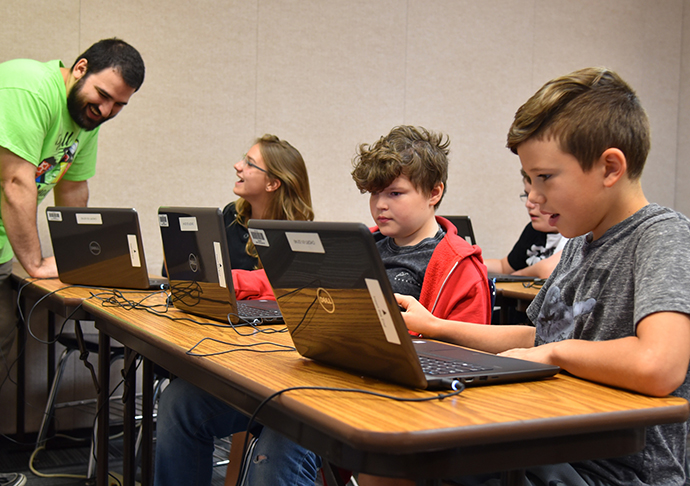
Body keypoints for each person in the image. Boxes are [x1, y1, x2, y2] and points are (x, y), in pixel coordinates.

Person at [360, 68, 690, 486]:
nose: (533, 197)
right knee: (386, 461)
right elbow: (539, 336)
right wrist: (437, 326)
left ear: (610, 168)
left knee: (399, 465)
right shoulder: (580, 243)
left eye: (545, 178)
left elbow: (658, 365)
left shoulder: (663, 236)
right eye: (528, 180)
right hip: (551, 439)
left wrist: (555, 355)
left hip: (613, 469)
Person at [232, 125, 492, 485]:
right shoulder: (361, 244)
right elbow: (295, 282)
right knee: (206, 408)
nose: (380, 205)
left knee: (284, 441)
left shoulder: (460, 267)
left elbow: (466, 365)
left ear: (434, 193)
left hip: (391, 401)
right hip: (339, 378)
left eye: (395, 193)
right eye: (374, 194)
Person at [0, 38, 145, 486]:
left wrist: (80, 260)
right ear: (80, 68)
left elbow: (73, 192)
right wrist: (37, 262)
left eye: (119, 105)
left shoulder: (86, 121)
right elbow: (15, 181)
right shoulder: (29, 88)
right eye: (103, 96)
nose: (106, 110)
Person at [153, 134, 315, 486]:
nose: (237, 166)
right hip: (226, 349)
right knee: (176, 400)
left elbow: (284, 295)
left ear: (273, 182)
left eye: (249, 163)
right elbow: (205, 281)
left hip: (274, 368)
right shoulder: (230, 218)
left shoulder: (301, 237)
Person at [484, 170, 566, 279]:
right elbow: (505, 267)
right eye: (527, 196)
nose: (528, 204)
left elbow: (548, 270)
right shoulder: (533, 230)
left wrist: (518, 275)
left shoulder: (575, 234)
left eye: (539, 196)